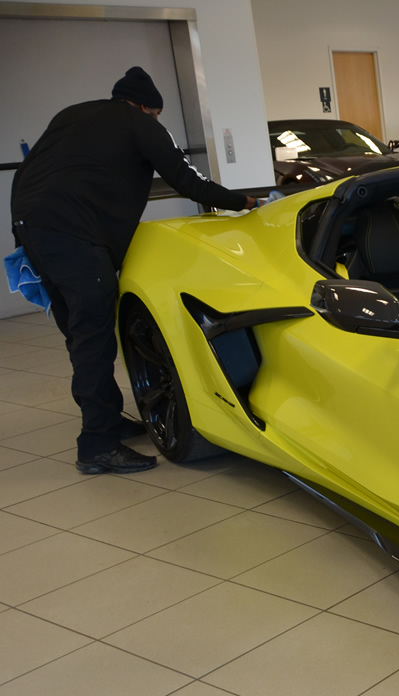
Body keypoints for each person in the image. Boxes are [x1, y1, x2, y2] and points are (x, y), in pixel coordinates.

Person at [10, 66, 256, 474]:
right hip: (75, 236)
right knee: (94, 338)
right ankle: (96, 447)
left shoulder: (71, 115)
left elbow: (28, 172)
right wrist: (240, 201)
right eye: (155, 115)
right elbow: (186, 179)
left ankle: (106, 420)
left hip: (33, 229)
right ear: (147, 106)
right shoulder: (139, 122)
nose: (156, 121)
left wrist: (25, 232)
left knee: (79, 332)